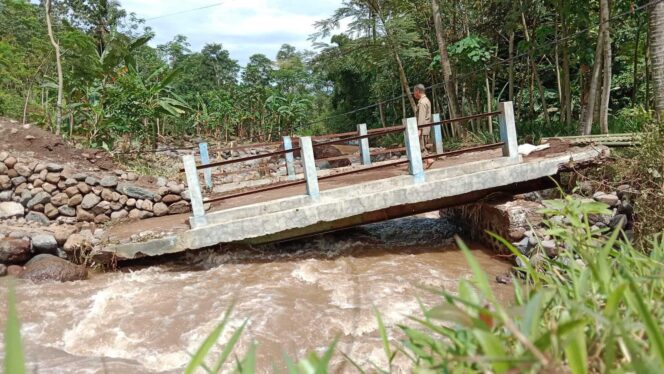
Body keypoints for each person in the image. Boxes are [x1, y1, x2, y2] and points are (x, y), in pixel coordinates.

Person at [413, 84, 434, 168]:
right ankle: (428, 160)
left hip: (423, 127)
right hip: (426, 127)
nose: (414, 94)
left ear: (417, 91)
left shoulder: (422, 102)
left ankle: (429, 160)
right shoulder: (427, 100)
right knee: (423, 145)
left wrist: (419, 129)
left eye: (414, 91)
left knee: (421, 146)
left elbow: (421, 117)